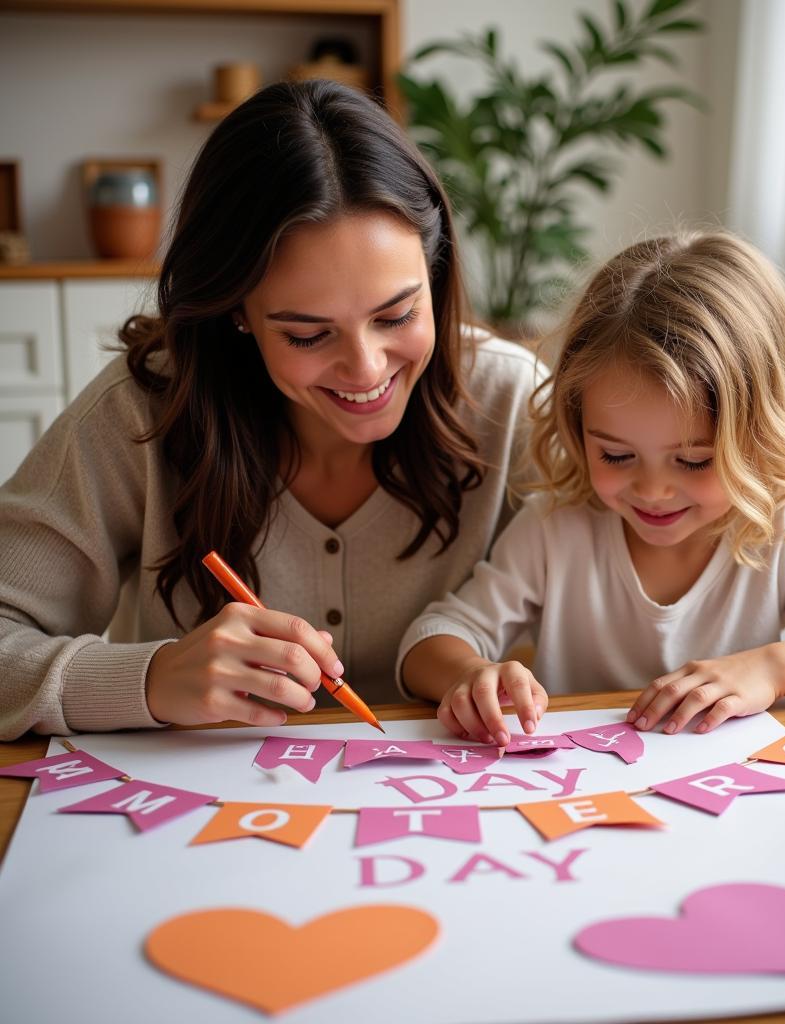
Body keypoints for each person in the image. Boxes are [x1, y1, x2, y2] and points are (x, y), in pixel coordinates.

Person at [0, 81, 540, 739]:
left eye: (397, 314)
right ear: (237, 314)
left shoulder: (513, 402)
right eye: (307, 334)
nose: (367, 369)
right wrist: (152, 679)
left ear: (436, 272)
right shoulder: (143, 411)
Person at [398, 230, 785, 746]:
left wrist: (772, 669)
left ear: (759, 437)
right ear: (577, 428)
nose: (652, 489)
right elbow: (432, 637)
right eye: (616, 455)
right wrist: (469, 674)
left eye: (696, 461)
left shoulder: (779, 529)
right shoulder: (557, 528)